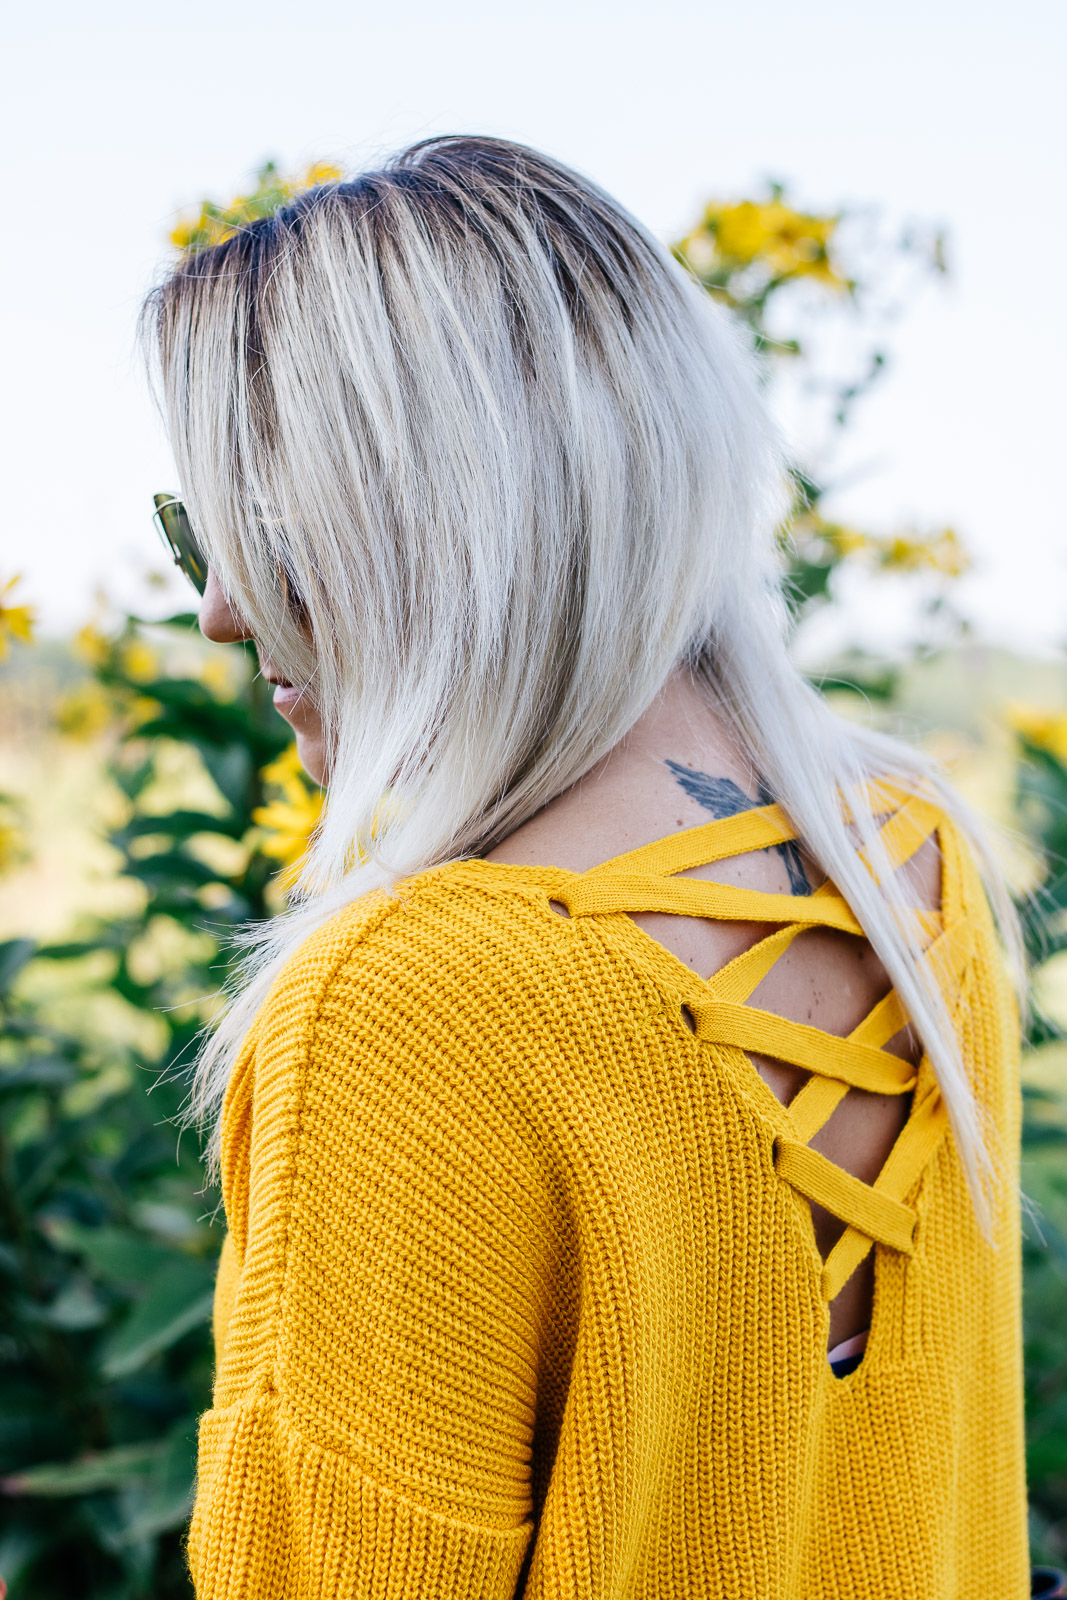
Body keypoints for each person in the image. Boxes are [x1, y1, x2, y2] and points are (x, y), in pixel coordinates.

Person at [143, 136, 1033, 1597]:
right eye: (199, 534)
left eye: (264, 532)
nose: (225, 616)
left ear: (444, 524)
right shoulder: (908, 856)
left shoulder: (410, 1004)